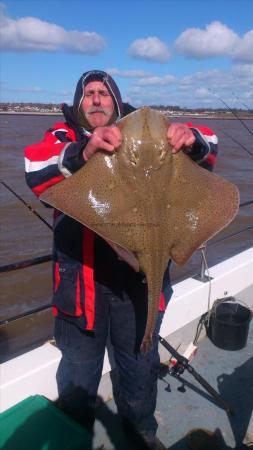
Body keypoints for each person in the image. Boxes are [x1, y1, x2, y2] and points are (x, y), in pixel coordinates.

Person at [24, 70, 218, 450]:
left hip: (139, 285)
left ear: (116, 102)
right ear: (79, 103)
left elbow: (209, 144)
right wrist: (85, 151)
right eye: (89, 94)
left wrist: (190, 139)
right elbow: (34, 168)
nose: (96, 99)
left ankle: (141, 433)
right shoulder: (64, 138)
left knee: (140, 366)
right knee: (79, 374)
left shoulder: (153, 135)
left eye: (104, 93)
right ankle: (73, 436)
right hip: (81, 287)